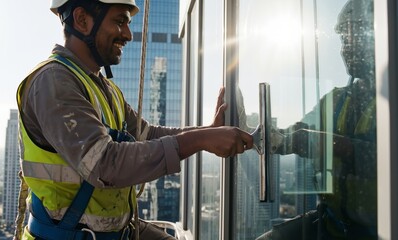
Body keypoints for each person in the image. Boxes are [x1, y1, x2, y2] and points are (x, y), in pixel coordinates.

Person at [15, 0, 254, 239]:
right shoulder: (54, 82)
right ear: (81, 20)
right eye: (119, 22)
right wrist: (201, 139)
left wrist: (208, 131)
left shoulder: (104, 88)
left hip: (114, 231)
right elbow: (104, 164)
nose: (128, 35)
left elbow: (147, 134)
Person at [255, 0, 376, 239]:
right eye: (343, 40)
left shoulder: (389, 100)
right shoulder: (338, 99)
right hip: (330, 223)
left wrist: (335, 146)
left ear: (372, 38)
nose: (345, 49)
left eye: (350, 38)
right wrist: (254, 133)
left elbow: (385, 162)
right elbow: (293, 133)